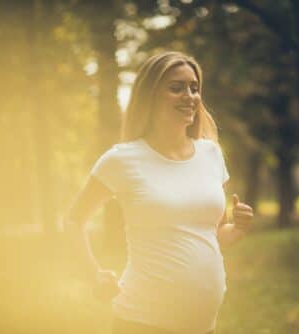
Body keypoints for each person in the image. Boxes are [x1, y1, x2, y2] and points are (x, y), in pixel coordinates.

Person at [63, 51, 254, 334]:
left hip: (203, 327)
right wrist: (94, 275)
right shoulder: (123, 159)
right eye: (176, 88)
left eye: (194, 88)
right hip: (142, 322)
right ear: (150, 96)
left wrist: (236, 228)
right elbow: (73, 220)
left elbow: (211, 236)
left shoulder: (211, 154)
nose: (189, 95)